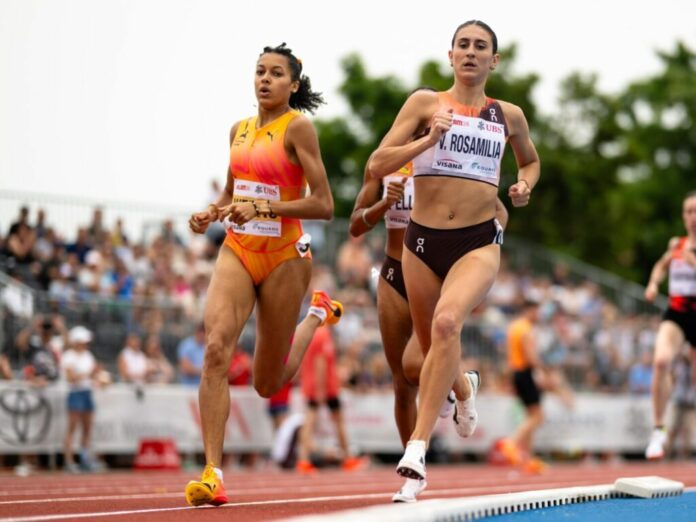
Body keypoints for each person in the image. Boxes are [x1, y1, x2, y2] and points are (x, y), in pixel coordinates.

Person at [368, 20, 539, 487]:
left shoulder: (509, 115)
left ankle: (417, 452)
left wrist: (524, 184)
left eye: (480, 46)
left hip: (477, 242)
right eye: (462, 45)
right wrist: (427, 139)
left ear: (493, 60)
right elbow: (377, 163)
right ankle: (464, 389)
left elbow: (530, 159)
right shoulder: (425, 104)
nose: (470, 52)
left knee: (447, 325)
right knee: (427, 351)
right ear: (450, 56)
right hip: (420, 244)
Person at [184, 43, 342, 507]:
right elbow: (233, 193)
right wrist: (210, 214)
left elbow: (325, 205)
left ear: (293, 85)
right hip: (239, 249)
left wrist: (265, 207)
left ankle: (315, 315)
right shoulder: (238, 130)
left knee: (267, 383)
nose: (265, 79)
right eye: (259, 71)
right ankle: (212, 473)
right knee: (215, 349)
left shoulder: (299, 129)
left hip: (285, 256)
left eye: (276, 73)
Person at [350, 95, 509, 501]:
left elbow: (496, 209)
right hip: (393, 270)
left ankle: (456, 387)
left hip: (437, 266)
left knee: (422, 353)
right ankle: (412, 473)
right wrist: (385, 203)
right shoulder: (389, 163)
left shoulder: (451, 153)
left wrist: (487, 233)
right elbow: (355, 225)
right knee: (401, 381)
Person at [644, 190, 696, 460]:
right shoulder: (677, 243)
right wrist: (654, 283)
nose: (693, 217)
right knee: (661, 361)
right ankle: (658, 430)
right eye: (688, 211)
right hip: (676, 312)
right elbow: (661, 265)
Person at [295, 325, 366, 473]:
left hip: (314, 383)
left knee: (310, 422)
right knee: (331, 421)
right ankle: (346, 459)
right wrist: (321, 389)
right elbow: (320, 361)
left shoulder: (311, 332)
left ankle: (304, 460)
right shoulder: (323, 334)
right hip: (325, 386)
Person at [499, 299, 547, 472]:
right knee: (538, 416)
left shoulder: (514, 327)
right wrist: (541, 371)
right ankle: (511, 442)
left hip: (516, 373)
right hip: (526, 373)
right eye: (536, 311)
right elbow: (530, 355)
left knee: (530, 415)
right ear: (529, 310)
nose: (538, 315)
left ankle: (528, 459)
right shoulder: (526, 329)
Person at [61, 326, 106, 472]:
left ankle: (85, 460)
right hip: (75, 393)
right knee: (72, 428)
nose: (86, 343)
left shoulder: (88, 355)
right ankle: (69, 461)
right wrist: (90, 373)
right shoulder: (68, 356)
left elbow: (91, 376)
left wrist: (100, 378)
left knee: (87, 429)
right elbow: (71, 378)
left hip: (87, 392)